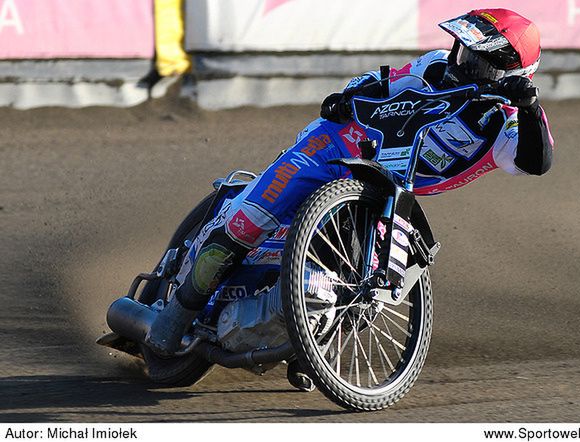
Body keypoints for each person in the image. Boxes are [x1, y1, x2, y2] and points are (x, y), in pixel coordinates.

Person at [144, 8, 554, 390]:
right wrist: (345, 95)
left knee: (368, 276)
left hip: (387, 185)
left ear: (510, 72)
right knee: (246, 222)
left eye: (478, 62)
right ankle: (175, 314)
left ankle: (312, 344)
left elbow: (537, 162)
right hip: (333, 144)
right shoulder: (432, 65)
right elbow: (382, 81)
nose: (460, 64)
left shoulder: (508, 122)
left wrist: (530, 107)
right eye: (463, 51)